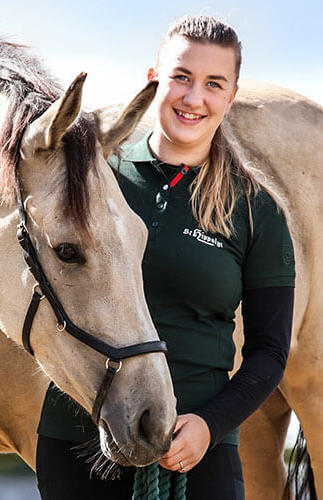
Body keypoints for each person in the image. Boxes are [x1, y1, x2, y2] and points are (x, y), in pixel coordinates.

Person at [35, 15, 295, 500]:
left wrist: (210, 426)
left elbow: (270, 352)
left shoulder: (257, 210)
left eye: (213, 84)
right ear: (154, 80)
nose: (194, 98)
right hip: (79, 445)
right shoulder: (95, 178)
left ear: (230, 97)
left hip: (196, 453)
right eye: (181, 77)